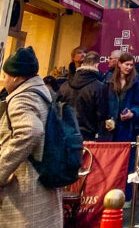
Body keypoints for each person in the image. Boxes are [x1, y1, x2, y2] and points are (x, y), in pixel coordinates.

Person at [0, 47, 62, 228]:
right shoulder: (43, 93)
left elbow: (30, 131)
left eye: (5, 76)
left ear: (15, 77)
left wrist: (2, 169)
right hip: (44, 175)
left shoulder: (22, 98)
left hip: (25, 183)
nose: (4, 81)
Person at [58, 50, 105, 141]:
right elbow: (101, 115)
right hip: (88, 138)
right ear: (96, 65)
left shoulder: (64, 85)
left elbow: (56, 110)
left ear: (83, 64)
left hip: (64, 135)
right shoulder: (99, 87)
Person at [99, 52, 139, 142]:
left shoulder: (135, 83)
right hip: (108, 128)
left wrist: (132, 113)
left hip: (125, 129)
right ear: (119, 64)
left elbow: (137, 104)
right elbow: (102, 104)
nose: (129, 67)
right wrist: (105, 120)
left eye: (131, 65)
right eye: (127, 64)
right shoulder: (108, 81)